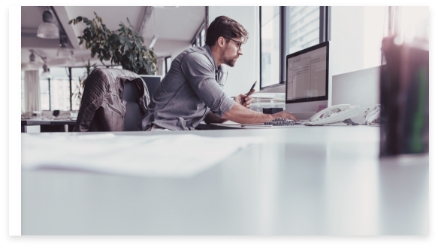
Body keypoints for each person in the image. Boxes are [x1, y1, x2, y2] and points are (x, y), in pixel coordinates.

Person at [138, 16, 297, 131]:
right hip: (160, 130)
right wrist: (273, 118)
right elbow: (225, 108)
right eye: (238, 44)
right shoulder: (195, 60)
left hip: (180, 132)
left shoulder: (220, 70)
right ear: (222, 41)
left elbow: (210, 116)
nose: (241, 52)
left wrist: (235, 104)